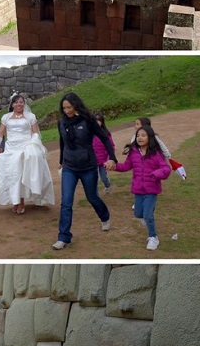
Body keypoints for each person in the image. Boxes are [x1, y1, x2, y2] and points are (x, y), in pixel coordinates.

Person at [53, 92, 117, 250]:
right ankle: (63, 237)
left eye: (69, 107)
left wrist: (112, 158)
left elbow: (104, 138)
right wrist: (61, 161)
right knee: (66, 202)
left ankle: (105, 216)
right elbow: (63, 143)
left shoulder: (87, 121)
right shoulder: (61, 123)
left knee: (92, 197)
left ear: (76, 105)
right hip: (69, 167)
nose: (67, 110)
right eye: (64, 108)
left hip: (88, 166)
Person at [0, 93, 54, 213]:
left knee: (22, 174)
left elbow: (35, 133)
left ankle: (21, 202)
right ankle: (15, 201)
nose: (19, 104)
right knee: (12, 175)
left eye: (21, 102)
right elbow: (0, 134)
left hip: (25, 147)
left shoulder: (30, 116)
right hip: (11, 148)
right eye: (16, 102)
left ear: (24, 103)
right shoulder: (6, 117)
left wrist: (33, 145)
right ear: (12, 104)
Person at [111, 124, 171, 251]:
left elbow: (166, 169)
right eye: (138, 135)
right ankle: (148, 219)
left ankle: (153, 237)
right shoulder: (133, 153)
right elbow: (126, 166)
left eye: (143, 135)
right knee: (138, 214)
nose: (140, 138)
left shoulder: (156, 154)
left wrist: (156, 174)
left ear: (150, 137)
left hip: (151, 190)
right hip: (138, 189)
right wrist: (114, 166)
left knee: (148, 214)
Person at [93, 112, 115, 195]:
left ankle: (107, 185)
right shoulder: (89, 133)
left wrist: (109, 158)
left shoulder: (106, 134)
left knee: (103, 177)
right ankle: (95, 195)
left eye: (99, 120)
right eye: (95, 120)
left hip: (103, 161)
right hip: (93, 160)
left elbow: (111, 146)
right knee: (94, 178)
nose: (97, 122)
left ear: (102, 122)